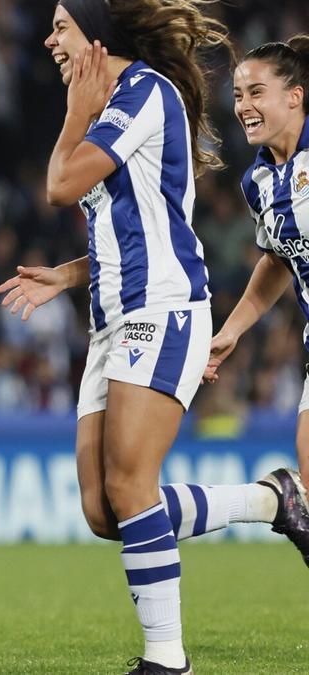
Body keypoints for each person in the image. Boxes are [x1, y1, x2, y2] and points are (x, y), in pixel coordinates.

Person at [0, 2, 307, 673]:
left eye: (60, 25)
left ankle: (167, 659)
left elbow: (59, 185)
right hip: (111, 317)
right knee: (103, 509)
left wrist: (77, 111)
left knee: (132, 487)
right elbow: (138, 222)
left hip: (163, 310)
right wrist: (67, 274)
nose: (49, 39)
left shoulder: (144, 92)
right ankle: (271, 499)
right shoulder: (119, 104)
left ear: (93, 33)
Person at [202, 36, 309, 562]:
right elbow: (276, 261)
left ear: (295, 95)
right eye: (239, 94)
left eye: (257, 92)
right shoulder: (259, 182)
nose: (243, 105)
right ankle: (287, 496)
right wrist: (231, 332)